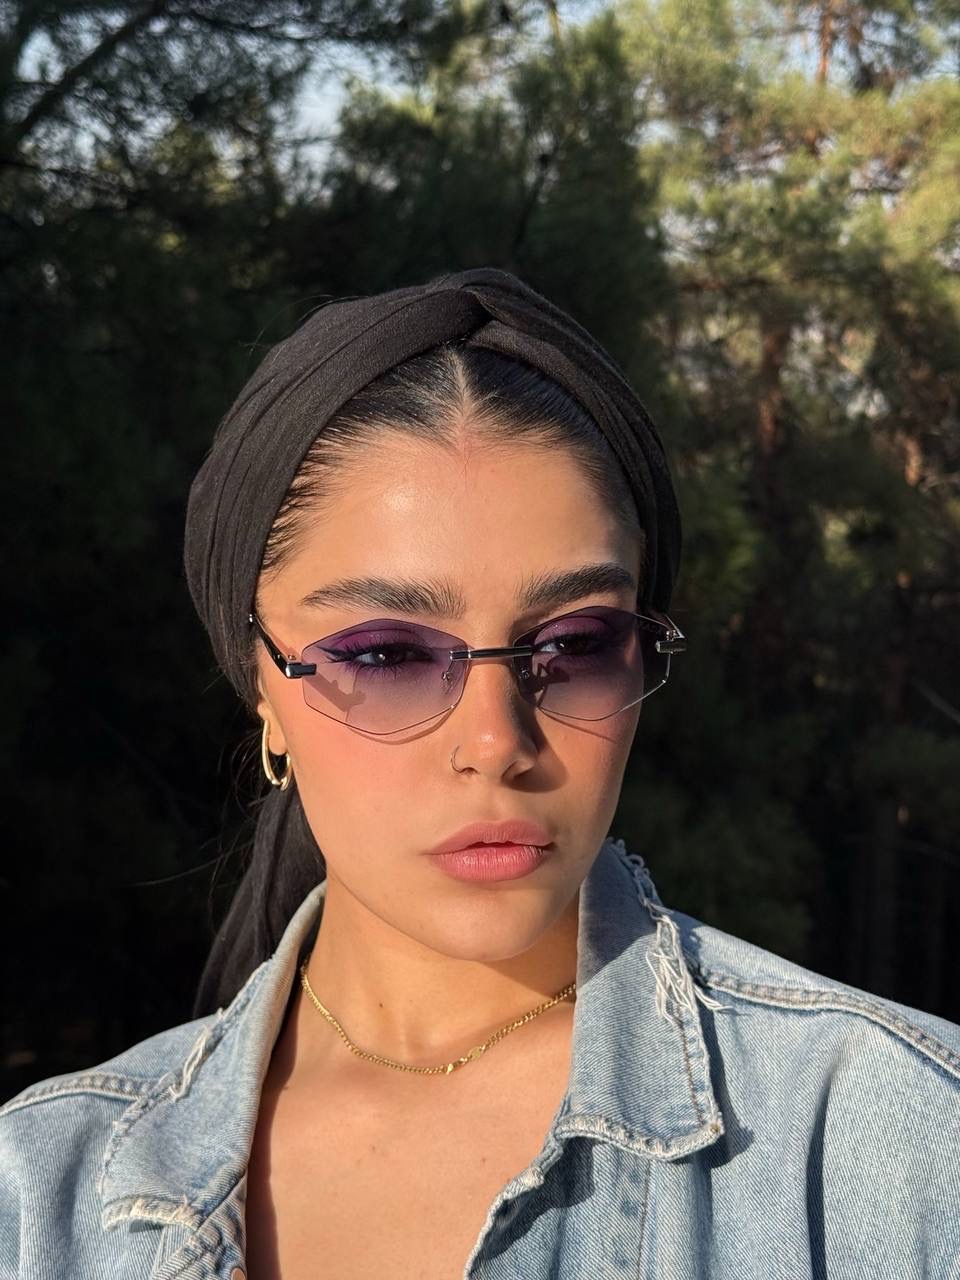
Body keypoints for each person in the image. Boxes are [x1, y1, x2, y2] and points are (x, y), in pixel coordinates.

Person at [1, 269, 957, 1280]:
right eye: (386, 654)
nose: (497, 739)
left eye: (575, 642)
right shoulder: (37, 1197)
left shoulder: (896, 1149)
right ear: (262, 687)